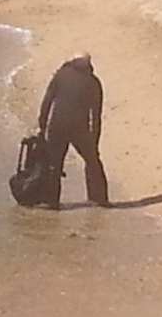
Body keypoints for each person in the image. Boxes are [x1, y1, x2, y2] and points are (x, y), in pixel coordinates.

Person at [37, 55, 109, 208]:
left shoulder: (61, 75)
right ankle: (100, 199)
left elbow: (47, 101)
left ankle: (52, 202)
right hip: (79, 128)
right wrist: (94, 143)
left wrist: (42, 126)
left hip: (57, 126)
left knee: (54, 165)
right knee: (93, 161)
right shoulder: (94, 83)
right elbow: (96, 117)